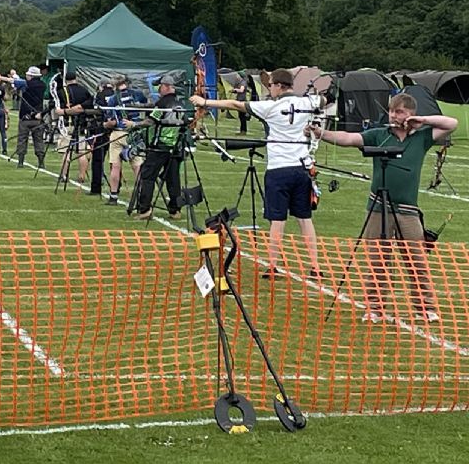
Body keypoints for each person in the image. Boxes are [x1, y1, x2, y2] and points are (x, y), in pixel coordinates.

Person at [310, 93, 456, 323]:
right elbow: (349, 138)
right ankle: (375, 308)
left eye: (399, 111)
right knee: (378, 259)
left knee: (416, 260)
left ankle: (425, 307)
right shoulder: (379, 134)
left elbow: (452, 124)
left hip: (407, 209)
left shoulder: (422, 137)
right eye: (391, 111)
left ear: (410, 113)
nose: (393, 116)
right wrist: (321, 134)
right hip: (378, 206)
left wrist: (422, 121)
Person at [190, 68, 325, 279]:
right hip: (301, 170)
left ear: (280, 86)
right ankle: (315, 267)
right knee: (304, 219)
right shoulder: (309, 102)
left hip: (279, 170)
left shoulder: (270, 107)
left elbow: (235, 104)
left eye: (270, 85)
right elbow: (324, 100)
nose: (268, 88)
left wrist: (205, 102)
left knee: (277, 220)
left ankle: (273, 266)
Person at [123, 75, 189, 220]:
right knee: (173, 179)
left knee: (147, 177)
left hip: (159, 147)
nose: (158, 89)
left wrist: (133, 125)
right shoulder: (180, 104)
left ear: (166, 86)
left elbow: (150, 121)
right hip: (175, 147)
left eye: (159, 86)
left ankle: (145, 209)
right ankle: (175, 210)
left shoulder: (162, 104)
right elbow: (185, 122)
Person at [103, 75, 149, 206]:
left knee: (115, 166)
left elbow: (111, 121)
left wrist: (106, 125)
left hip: (118, 133)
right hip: (134, 133)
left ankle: (113, 196)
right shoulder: (138, 94)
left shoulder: (113, 99)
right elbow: (147, 107)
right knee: (137, 166)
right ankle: (142, 196)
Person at [2, 66, 47, 168]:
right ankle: (41, 162)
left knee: (22, 139)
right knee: (39, 140)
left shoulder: (26, 84)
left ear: (31, 75)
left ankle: (21, 162)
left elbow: (12, 80)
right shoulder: (42, 85)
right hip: (38, 117)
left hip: (25, 117)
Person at [54, 71, 95, 184]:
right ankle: (81, 176)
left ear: (65, 79)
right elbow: (90, 103)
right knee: (81, 151)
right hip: (82, 124)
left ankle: (64, 175)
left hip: (68, 124)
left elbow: (58, 109)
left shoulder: (62, 92)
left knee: (66, 152)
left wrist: (67, 110)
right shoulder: (84, 90)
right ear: (76, 78)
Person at [88, 80, 114, 196]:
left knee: (98, 160)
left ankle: (96, 187)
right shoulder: (116, 94)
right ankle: (115, 188)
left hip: (102, 128)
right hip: (116, 129)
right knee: (115, 161)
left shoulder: (99, 95)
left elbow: (96, 109)